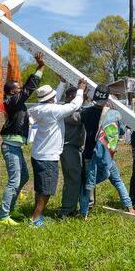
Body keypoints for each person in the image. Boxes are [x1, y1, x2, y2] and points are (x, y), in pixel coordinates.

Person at [27, 79, 87, 227]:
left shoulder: (38, 108)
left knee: (41, 187)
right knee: (46, 190)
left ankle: (37, 216)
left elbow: (54, 100)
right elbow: (75, 105)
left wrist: (61, 83)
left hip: (38, 153)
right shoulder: (54, 111)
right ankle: (35, 220)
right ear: (51, 99)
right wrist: (80, 89)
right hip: (48, 155)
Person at [0, 52, 45, 226]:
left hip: (15, 146)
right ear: (12, 92)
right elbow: (28, 90)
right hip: (10, 147)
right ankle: (3, 216)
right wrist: (39, 68)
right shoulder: (12, 101)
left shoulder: (16, 102)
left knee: (23, 177)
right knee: (14, 181)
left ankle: (9, 210)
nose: (22, 91)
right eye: (18, 89)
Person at [79, 85, 135, 218]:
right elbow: (122, 131)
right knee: (118, 181)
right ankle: (129, 208)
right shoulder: (114, 114)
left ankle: (83, 213)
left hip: (90, 154)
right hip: (107, 156)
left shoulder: (85, 113)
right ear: (107, 98)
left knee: (87, 185)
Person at [58, 86, 87, 218]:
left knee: (75, 178)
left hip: (75, 148)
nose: (82, 100)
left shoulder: (73, 109)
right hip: (68, 148)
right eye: (79, 97)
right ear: (70, 98)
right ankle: (66, 211)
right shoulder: (66, 111)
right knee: (73, 179)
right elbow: (81, 118)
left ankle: (72, 207)